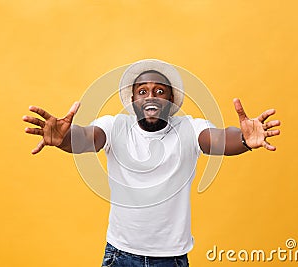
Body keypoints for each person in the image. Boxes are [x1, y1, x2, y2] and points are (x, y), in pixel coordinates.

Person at [23, 59, 280, 267]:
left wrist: (245, 140)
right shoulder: (114, 126)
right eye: (142, 91)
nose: (151, 96)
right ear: (133, 99)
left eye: (160, 91)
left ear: (170, 99)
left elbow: (219, 140)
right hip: (120, 255)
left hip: (171, 258)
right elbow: (86, 138)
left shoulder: (190, 128)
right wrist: (64, 137)